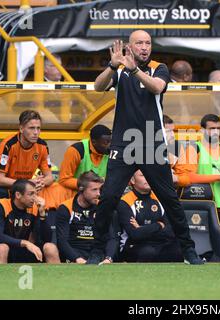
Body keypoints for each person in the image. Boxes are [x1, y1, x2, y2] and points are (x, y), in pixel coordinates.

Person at [91, 30, 203, 264]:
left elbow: (156, 87)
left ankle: (189, 251)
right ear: (129, 47)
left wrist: (134, 70)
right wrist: (112, 66)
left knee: (169, 198)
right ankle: (96, 251)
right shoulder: (119, 70)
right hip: (123, 143)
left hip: (151, 143)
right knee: (108, 197)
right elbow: (98, 87)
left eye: (148, 43)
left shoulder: (158, 67)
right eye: (139, 43)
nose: (144, 47)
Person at [183, 114, 220, 258]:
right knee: (209, 246)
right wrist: (219, 177)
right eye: (211, 129)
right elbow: (190, 177)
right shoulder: (194, 149)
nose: (216, 132)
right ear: (202, 130)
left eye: (218, 128)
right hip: (207, 205)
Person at [0, 110, 69, 209]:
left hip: (24, 192)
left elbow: (49, 177)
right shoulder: (8, 145)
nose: (36, 132)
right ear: (21, 128)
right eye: (31, 128)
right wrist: (27, 183)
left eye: (38, 128)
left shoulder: (42, 146)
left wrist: (40, 183)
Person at [0, 179, 59, 263]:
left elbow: (47, 238)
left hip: (23, 249)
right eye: (31, 194)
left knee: (50, 247)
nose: (35, 198)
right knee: (2, 248)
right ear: (18, 195)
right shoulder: (1, 206)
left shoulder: (34, 208)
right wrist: (25, 242)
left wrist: (42, 213)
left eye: (36, 194)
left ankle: (57, 276)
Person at [117, 170, 183, 262]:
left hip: (160, 243)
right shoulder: (125, 202)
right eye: (143, 175)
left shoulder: (161, 197)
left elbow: (171, 231)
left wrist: (141, 228)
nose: (148, 177)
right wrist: (159, 225)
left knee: (180, 250)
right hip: (134, 245)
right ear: (132, 180)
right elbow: (135, 235)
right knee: (148, 252)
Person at [56, 171, 119, 264]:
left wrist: (108, 258)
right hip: (75, 254)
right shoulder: (66, 208)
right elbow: (62, 240)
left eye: (100, 190)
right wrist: (77, 259)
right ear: (81, 189)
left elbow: (112, 238)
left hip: (98, 254)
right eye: (94, 190)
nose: (98, 194)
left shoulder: (103, 208)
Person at [58, 125, 112, 191]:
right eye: (106, 143)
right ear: (94, 142)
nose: (110, 146)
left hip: (99, 196)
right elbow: (63, 180)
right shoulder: (76, 150)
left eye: (111, 141)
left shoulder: (111, 152)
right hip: (75, 196)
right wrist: (86, 185)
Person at [163, 115, 192, 187]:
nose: (173, 135)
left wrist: (176, 178)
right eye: (168, 131)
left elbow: (187, 177)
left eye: (172, 130)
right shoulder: (145, 149)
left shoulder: (176, 147)